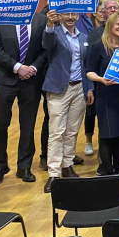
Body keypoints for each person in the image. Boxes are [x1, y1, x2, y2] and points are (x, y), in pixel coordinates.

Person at [0, 0, 48, 186]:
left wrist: (32, 68)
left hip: (31, 80)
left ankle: (24, 166)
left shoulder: (41, 20)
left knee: (28, 125)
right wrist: (17, 67)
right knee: (0, 125)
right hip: (4, 78)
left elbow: (44, 49)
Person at [41, 10, 93, 192]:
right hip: (58, 88)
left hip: (79, 88)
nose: (70, 17)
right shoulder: (53, 33)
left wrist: (89, 88)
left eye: (74, 14)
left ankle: (67, 165)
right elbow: (46, 45)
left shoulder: (84, 37)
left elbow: (87, 65)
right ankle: (53, 173)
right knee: (56, 131)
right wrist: (49, 24)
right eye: (67, 14)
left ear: (78, 16)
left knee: (72, 131)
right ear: (60, 16)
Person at [85, 12, 119, 174]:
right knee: (107, 135)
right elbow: (89, 72)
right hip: (106, 97)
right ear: (110, 25)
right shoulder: (99, 46)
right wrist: (101, 80)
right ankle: (108, 172)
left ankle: (117, 171)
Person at [83, 1, 107, 157]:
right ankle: (88, 141)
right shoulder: (91, 32)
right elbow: (89, 61)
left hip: (109, 81)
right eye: (100, 10)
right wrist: (90, 85)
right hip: (94, 78)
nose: (102, 13)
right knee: (90, 111)